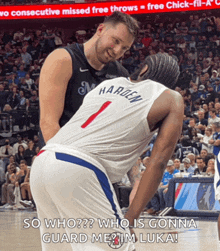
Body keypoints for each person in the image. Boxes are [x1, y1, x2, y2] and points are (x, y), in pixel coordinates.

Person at [30, 53, 183, 251]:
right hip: (79, 165)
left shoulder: (105, 86)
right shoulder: (171, 98)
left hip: (43, 160)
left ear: (144, 69)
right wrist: (129, 219)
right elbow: (158, 162)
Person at [39, 11, 138, 148]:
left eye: (124, 48)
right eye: (115, 41)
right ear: (101, 29)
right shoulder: (62, 60)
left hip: (98, 156)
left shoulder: (120, 74)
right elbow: (49, 124)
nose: (117, 51)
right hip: (62, 154)